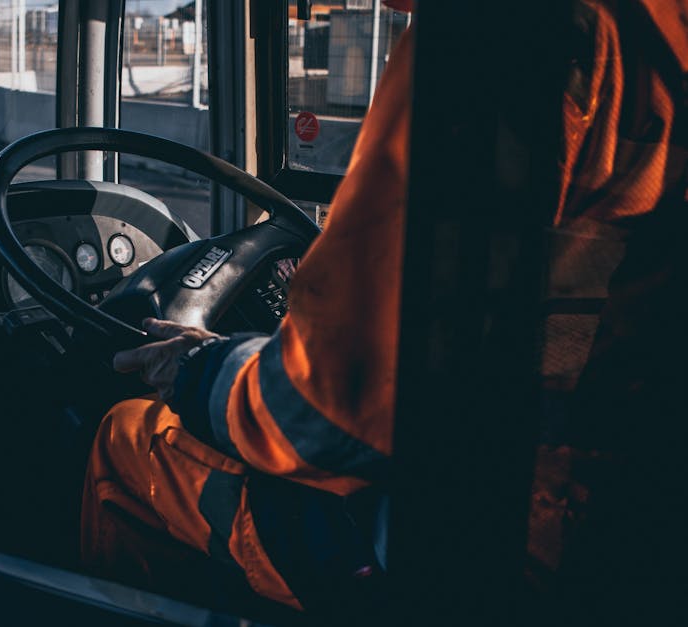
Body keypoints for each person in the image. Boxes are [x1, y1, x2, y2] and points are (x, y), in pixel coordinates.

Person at [81, 0, 688, 617]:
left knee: (127, 438)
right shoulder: (654, 33)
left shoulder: (488, 33)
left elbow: (325, 418)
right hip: (629, 526)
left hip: (470, 544)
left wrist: (199, 370)